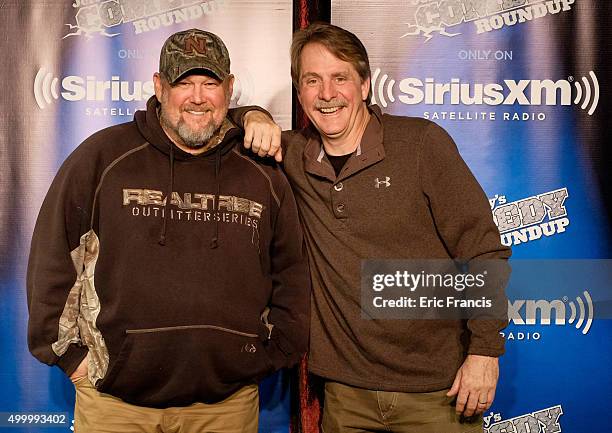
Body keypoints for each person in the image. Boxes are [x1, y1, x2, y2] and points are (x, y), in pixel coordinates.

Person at [27, 28, 310, 433]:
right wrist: (73, 360)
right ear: (160, 87)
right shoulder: (103, 159)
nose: (197, 97)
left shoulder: (262, 174)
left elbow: (291, 273)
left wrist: (271, 354)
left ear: (229, 90)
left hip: (225, 407)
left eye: (210, 83)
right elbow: (53, 261)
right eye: (183, 83)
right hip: (115, 405)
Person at [234, 22, 511, 433]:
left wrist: (486, 353)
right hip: (347, 397)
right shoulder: (290, 155)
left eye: (339, 78)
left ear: (365, 84)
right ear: (300, 94)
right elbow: (204, 117)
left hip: (437, 394)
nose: (327, 94)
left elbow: (483, 251)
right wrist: (251, 115)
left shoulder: (420, 144)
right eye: (313, 81)